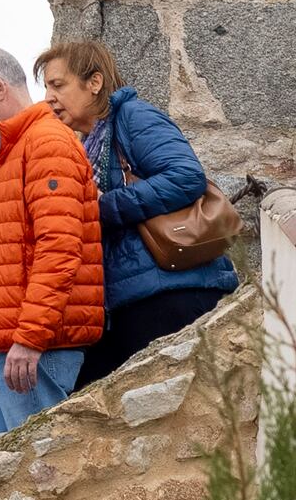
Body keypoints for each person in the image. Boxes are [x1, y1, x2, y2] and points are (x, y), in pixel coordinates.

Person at [41, 40, 237, 367]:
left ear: (94, 83)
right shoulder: (86, 145)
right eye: (46, 87)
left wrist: (104, 207)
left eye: (57, 85)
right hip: (129, 301)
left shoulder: (134, 116)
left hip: (173, 293)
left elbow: (186, 177)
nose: (48, 97)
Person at [0, 45, 102, 432]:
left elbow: (61, 247)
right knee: (12, 483)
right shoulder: (12, 152)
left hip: (31, 349)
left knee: (39, 479)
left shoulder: (46, 143)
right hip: (4, 348)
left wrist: (31, 337)